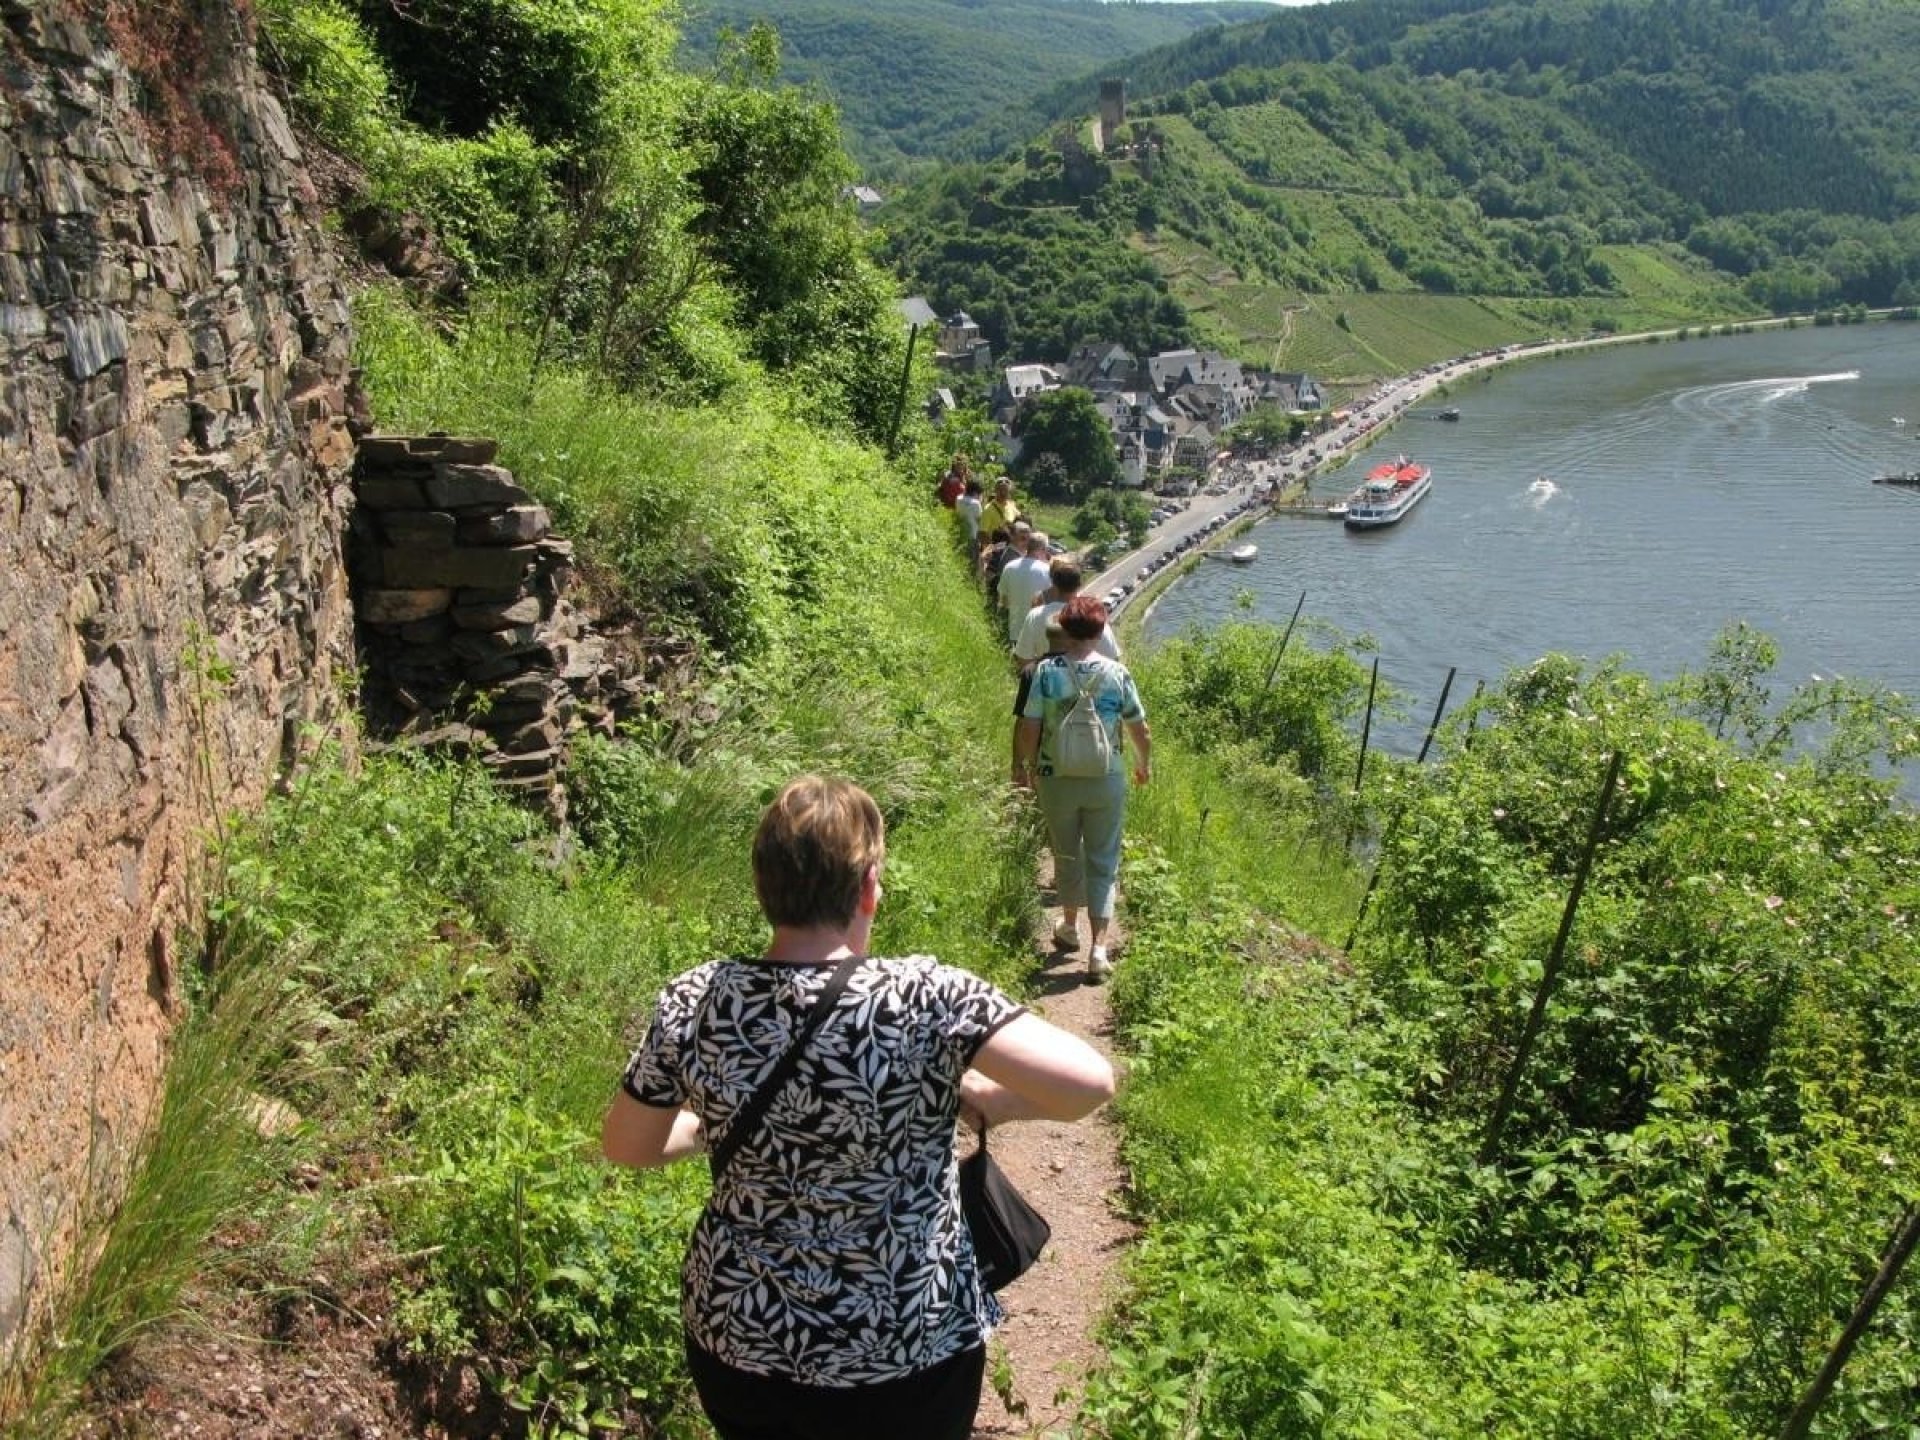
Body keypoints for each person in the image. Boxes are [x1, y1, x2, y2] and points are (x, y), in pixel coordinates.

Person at [603, 776, 1114, 1440]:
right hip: (908, 1342)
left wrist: (713, 1124)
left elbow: (628, 1145)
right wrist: (990, 1100)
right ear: (868, 888)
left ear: (764, 886)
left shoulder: (696, 998)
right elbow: (1090, 1083)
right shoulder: (924, 996)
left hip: (741, 1335)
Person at [1014, 597, 1151, 982]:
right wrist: (1144, 764)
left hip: (1055, 776)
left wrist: (1028, 765)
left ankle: (1070, 926)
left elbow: (1029, 727)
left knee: (1065, 850)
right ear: (1099, 631)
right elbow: (1140, 728)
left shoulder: (1045, 672)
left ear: (1066, 629)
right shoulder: (1116, 673)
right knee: (1103, 858)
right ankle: (1099, 949)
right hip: (1104, 777)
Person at [1013, 558, 1119, 668]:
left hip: (1048, 681)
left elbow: (1023, 657)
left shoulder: (1034, 616)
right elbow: (1113, 657)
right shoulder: (1092, 615)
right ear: (1080, 584)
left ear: (1054, 583)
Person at [995, 529, 1052, 644]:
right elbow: (1051, 602)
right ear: (1044, 549)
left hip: (1014, 629)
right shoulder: (1047, 570)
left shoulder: (1009, 567)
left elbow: (1003, 601)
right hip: (1037, 632)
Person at [955, 477, 984, 560]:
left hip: (961, 532)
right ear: (976, 491)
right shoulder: (976, 504)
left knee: (961, 558)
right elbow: (980, 521)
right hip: (973, 536)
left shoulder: (958, 498)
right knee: (972, 561)